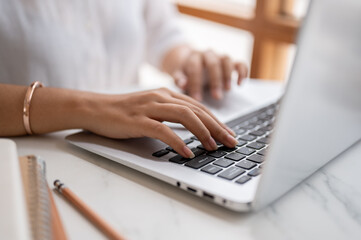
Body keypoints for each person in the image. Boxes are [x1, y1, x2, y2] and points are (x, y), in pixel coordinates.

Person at [0, 0, 247, 158]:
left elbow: (162, 35)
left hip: (128, 150)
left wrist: (190, 62)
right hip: (31, 159)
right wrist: (95, 109)